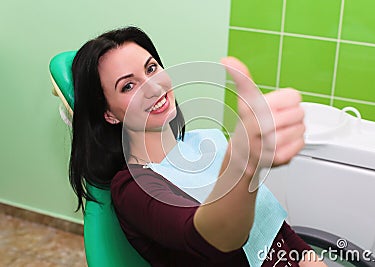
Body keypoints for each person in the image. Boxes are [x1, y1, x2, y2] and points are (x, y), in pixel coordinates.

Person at [69, 26, 327, 267]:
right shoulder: (133, 187)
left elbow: (274, 227)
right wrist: (243, 163)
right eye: (128, 86)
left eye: (151, 69)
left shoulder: (206, 141)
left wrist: (307, 257)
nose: (153, 87)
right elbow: (214, 239)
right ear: (109, 114)